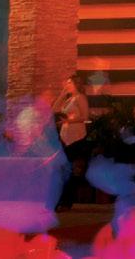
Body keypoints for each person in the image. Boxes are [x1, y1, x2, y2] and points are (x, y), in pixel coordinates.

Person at [54, 74, 90, 209]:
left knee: (70, 170)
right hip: (65, 137)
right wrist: (62, 94)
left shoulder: (80, 98)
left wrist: (69, 121)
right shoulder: (68, 99)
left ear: (76, 84)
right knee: (63, 169)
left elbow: (85, 117)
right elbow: (55, 110)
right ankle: (62, 200)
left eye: (69, 83)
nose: (67, 85)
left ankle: (66, 201)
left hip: (76, 137)